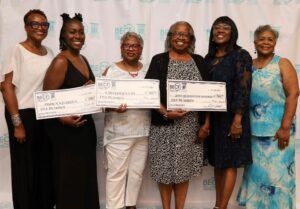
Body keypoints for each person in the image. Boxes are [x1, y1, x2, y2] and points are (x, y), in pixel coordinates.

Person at [145, 21, 208, 209]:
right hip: (163, 125)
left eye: (185, 34)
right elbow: (148, 92)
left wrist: (206, 125)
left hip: (190, 127)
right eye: (176, 33)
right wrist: (165, 113)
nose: (180, 37)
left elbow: (209, 95)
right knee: (164, 171)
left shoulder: (199, 61)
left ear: (191, 39)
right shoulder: (159, 60)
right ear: (170, 37)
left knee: (183, 171)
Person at [237, 25, 299, 209]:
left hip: (278, 132)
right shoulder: (248, 65)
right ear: (255, 42)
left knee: (278, 177)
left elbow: (293, 94)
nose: (266, 42)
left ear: (275, 43)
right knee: (257, 176)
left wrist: (285, 127)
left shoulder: (283, 63)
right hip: (253, 132)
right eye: (262, 39)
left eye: (270, 39)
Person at [43, 13, 99, 209]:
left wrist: (91, 88)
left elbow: (80, 90)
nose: (78, 36)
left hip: (85, 131)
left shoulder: (82, 58)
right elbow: (46, 100)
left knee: (85, 179)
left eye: (81, 32)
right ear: (63, 36)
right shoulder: (60, 61)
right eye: (72, 32)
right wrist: (63, 119)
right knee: (69, 181)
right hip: (66, 133)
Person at [0, 9, 54, 209]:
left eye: (44, 24)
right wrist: (17, 123)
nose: (40, 28)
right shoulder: (17, 50)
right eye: (35, 24)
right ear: (26, 27)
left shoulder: (49, 52)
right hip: (23, 114)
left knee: (43, 167)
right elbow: (6, 88)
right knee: (25, 169)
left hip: (45, 114)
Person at [204, 16, 252, 209]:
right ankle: (218, 205)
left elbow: (243, 88)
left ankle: (222, 207)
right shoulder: (207, 59)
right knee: (218, 162)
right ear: (212, 33)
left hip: (233, 117)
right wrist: (206, 121)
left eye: (225, 27)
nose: (220, 30)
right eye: (216, 27)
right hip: (214, 118)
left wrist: (237, 120)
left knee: (230, 162)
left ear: (233, 32)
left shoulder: (241, 55)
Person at [102, 32, 151, 209]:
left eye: (135, 46)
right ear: (121, 48)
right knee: (116, 174)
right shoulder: (111, 71)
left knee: (136, 174)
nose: (131, 49)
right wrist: (113, 106)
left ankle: (131, 205)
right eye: (127, 45)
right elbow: (100, 103)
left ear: (141, 49)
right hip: (118, 133)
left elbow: (155, 97)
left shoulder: (148, 71)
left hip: (143, 132)